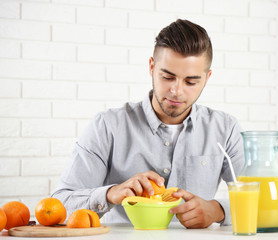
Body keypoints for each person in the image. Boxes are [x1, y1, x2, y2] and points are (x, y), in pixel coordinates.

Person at [52, 19, 244, 229]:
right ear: (152, 67)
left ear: (207, 79)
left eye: (190, 81)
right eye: (168, 77)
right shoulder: (108, 126)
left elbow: (261, 202)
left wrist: (219, 210)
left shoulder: (226, 130)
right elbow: (60, 205)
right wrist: (110, 193)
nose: (177, 91)